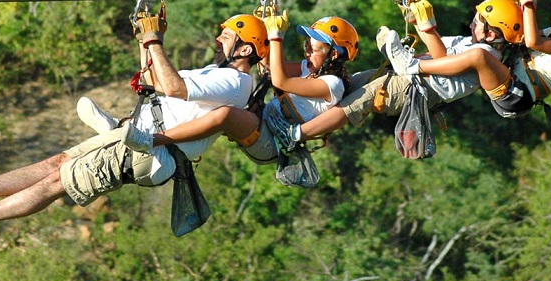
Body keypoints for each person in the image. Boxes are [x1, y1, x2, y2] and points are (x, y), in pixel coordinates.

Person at [0, 12, 269, 238]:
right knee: (56, 164)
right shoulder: (216, 75)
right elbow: (155, 80)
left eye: (226, 36)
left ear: (246, 49)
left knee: (56, 183)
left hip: (147, 150)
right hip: (136, 138)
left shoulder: (233, 82)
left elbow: (175, 87)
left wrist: (155, 42)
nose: (217, 40)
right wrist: (145, 41)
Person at [265, 0, 523, 150]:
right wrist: (417, 18)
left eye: (478, 21)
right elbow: (439, 51)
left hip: (423, 88)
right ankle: (404, 62)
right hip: (416, 77)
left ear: (491, 33)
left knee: (362, 98)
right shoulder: (471, 42)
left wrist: (427, 29)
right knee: (356, 81)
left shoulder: (487, 57)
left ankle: (296, 136)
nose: (472, 22)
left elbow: (442, 59)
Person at [106, 13, 360, 167]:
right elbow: (270, 67)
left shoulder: (332, 84)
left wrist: (276, 36)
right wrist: (262, 23)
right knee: (217, 102)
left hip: (272, 144)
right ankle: (124, 126)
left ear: (334, 54)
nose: (307, 51)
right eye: (306, 45)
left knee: (226, 114)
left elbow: (280, 81)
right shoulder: (307, 68)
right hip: (265, 125)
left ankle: (153, 140)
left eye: (313, 48)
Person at [384, 0, 551, 118]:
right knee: (464, 50)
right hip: (509, 78)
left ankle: (412, 66)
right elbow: (525, 35)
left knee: (479, 56)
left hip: (516, 96)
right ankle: (413, 59)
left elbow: (533, 42)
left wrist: (527, 5)